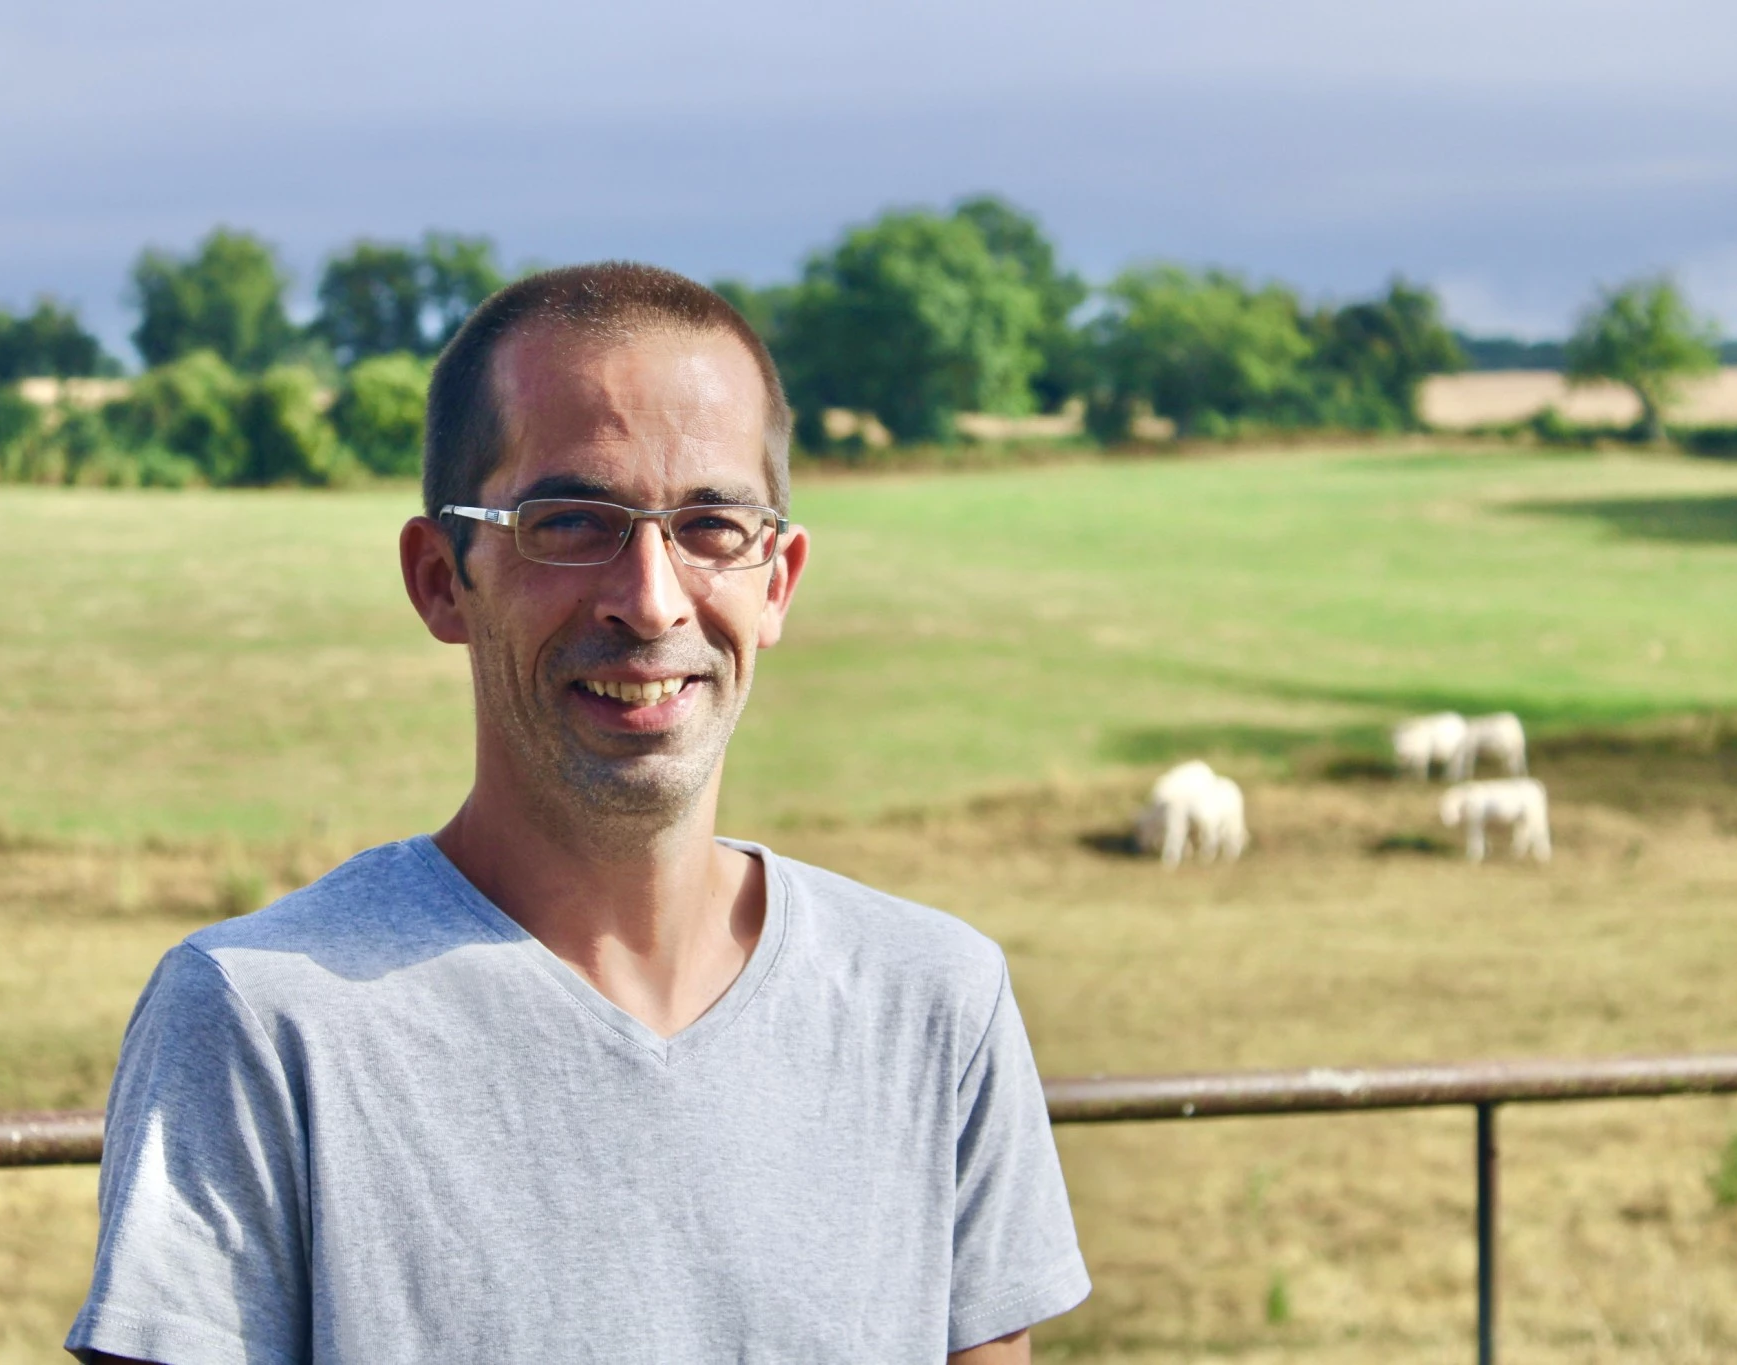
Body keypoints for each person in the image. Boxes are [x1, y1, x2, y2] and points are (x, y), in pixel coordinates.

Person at [68, 262, 1089, 1365]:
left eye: (708, 525)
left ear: (778, 581)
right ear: (438, 579)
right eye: (569, 521)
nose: (649, 598)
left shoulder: (934, 1002)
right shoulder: (261, 1021)